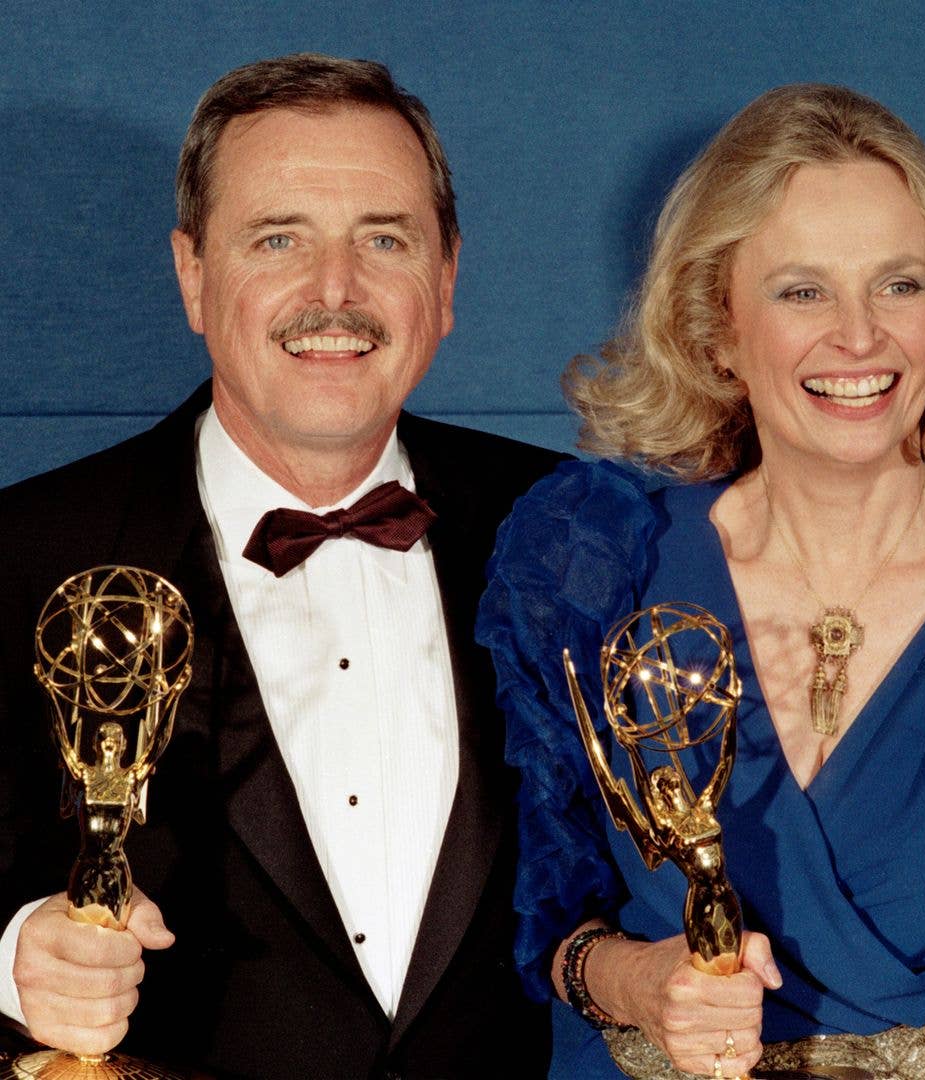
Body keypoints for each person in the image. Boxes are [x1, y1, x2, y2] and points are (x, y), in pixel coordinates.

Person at [478, 84, 925, 1079]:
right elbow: (531, 926)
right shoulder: (596, 566)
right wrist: (636, 983)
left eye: (899, 285)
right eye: (802, 290)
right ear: (717, 329)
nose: (859, 336)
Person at [0, 54, 561, 1079]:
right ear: (194, 277)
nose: (334, 292)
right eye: (278, 239)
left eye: (383, 240)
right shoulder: (17, 559)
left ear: (445, 280)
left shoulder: (570, 530)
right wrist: (7, 962)